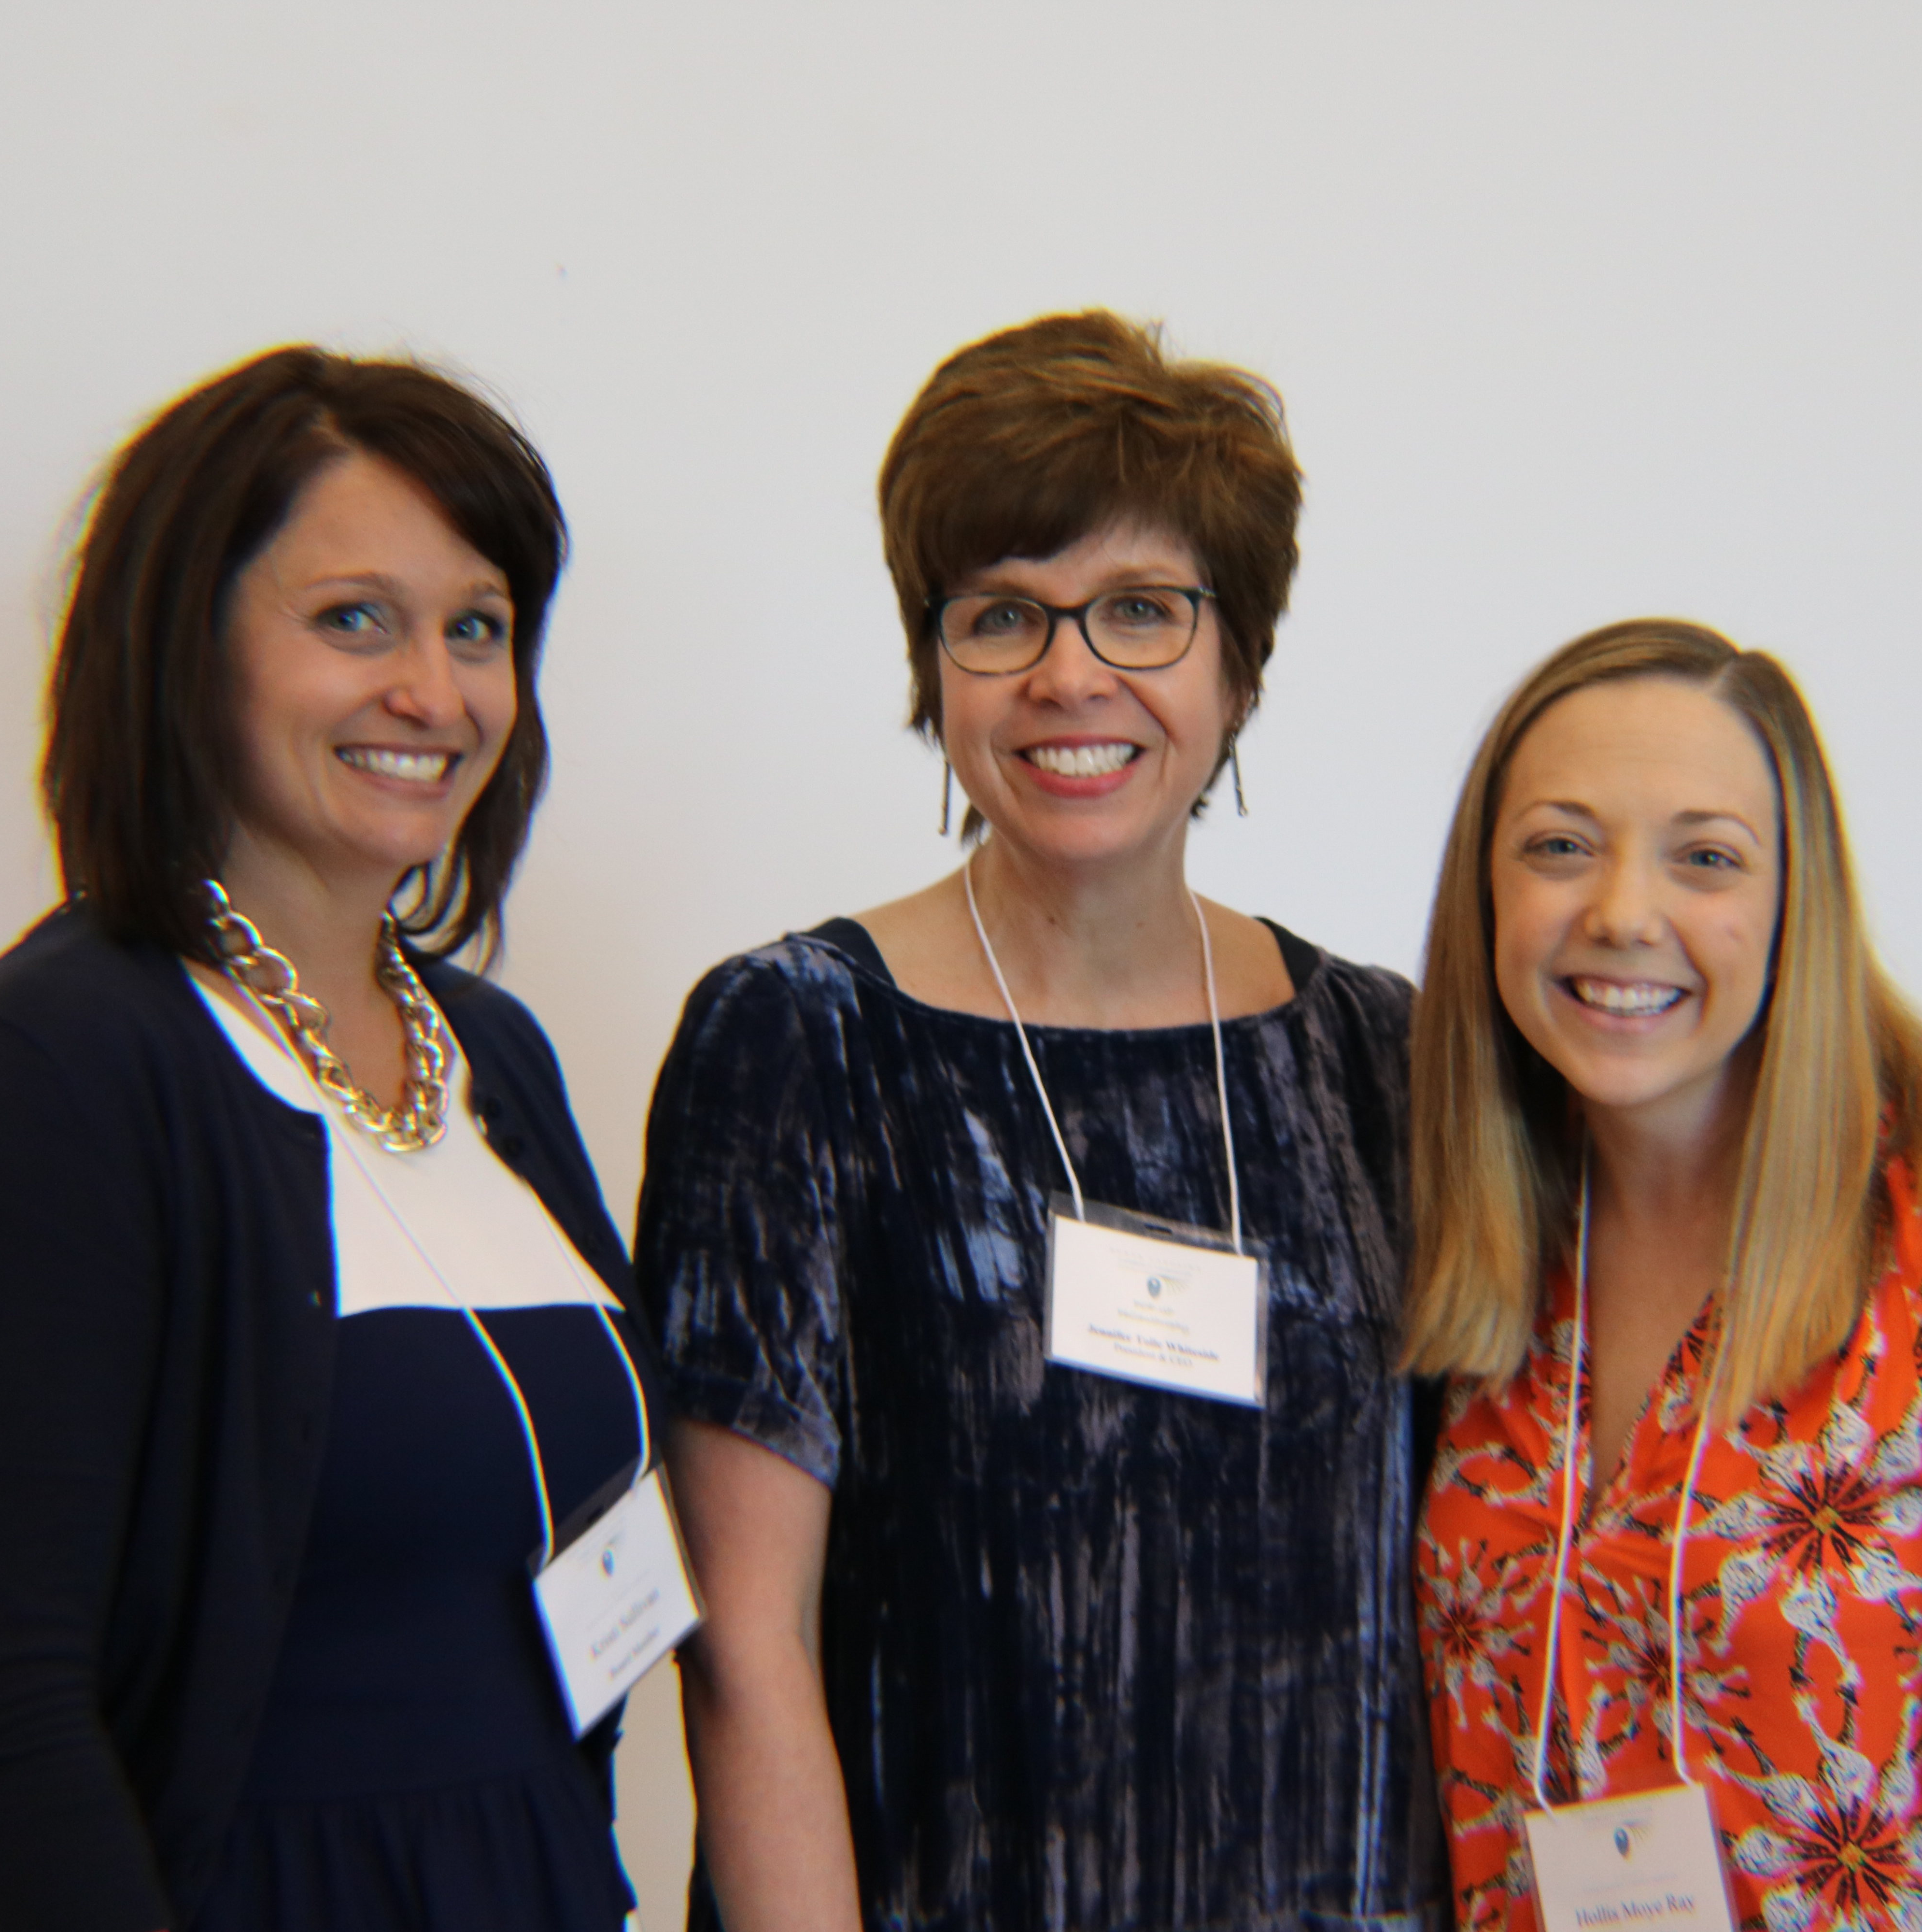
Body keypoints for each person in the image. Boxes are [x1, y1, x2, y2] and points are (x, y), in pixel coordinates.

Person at [639, 311, 1444, 1932]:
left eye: (1142, 611)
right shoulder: (802, 1040)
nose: (1073, 674)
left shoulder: (1379, 1054)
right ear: (935, 667)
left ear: (1243, 661)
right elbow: (746, 1644)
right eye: (1005, 615)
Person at [0, 347, 663, 1932]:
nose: (433, 693)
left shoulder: (492, 1055)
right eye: (352, 618)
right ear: (187, 648)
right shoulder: (63, 1065)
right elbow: (13, 1721)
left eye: (478, 629)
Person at [1407, 620, 1922, 1932]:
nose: (1621, 913)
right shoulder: (1474, 1244)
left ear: (1793, 904)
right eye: (1559, 846)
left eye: (1705, 858)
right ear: (1486, 891)